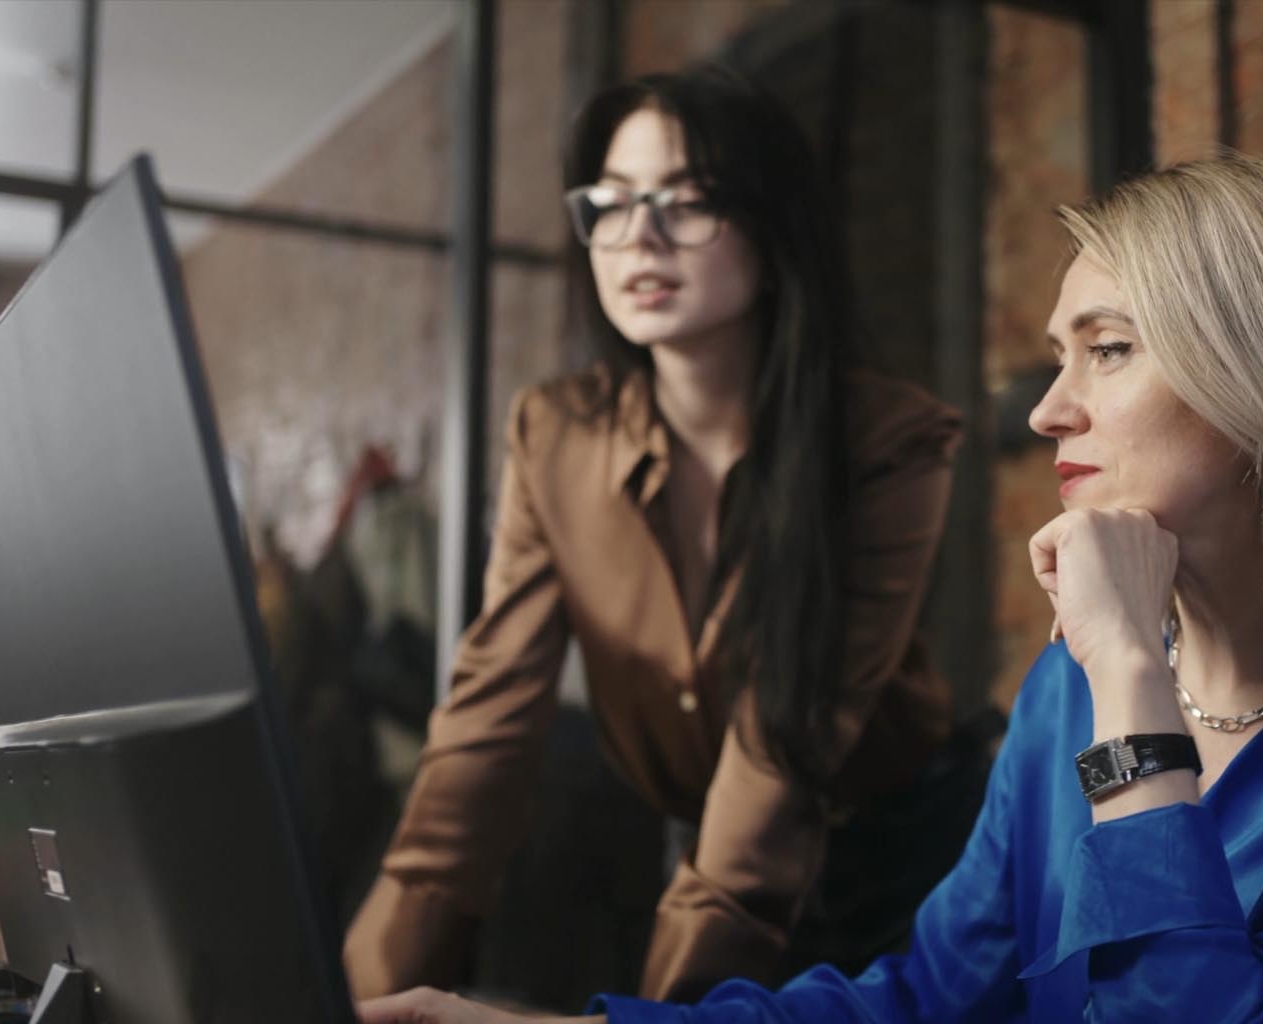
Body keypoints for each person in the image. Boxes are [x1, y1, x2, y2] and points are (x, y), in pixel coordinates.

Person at [354, 153, 1263, 1023]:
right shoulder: (1062, 694)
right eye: (1057, 355)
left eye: (1107, 349)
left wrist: (1124, 677)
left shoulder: (1099, 679)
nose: (1045, 409)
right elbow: (922, 999)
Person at [344, 65, 972, 1000]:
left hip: (893, 860)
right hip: (700, 851)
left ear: (773, 226)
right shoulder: (554, 433)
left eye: (689, 201)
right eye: (612, 202)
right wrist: (369, 986)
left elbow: (780, 751)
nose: (640, 235)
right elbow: (487, 717)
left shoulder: (890, 441)